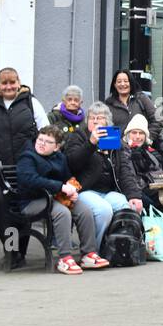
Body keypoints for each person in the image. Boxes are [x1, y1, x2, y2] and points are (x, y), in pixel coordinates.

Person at [0, 67, 50, 268]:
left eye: (12, 82)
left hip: (26, 166)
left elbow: (46, 131)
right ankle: (11, 250)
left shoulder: (31, 102)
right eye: (4, 83)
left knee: (22, 205)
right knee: (2, 205)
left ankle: (20, 253)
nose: (8, 87)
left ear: (19, 82)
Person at [14, 124, 108, 274]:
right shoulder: (28, 157)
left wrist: (72, 189)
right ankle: (65, 257)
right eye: (40, 139)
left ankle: (88, 254)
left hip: (56, 198)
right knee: (62, 212)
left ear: (57, 147)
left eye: (47, 142)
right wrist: (61, 187)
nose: (41, 143)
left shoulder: (59, 158)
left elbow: (67, 177)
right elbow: (30, 179)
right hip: (31, 201)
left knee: (84, 210)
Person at [63, 102, 144, 239]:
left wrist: (133, 195)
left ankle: (120, 248)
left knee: (127, 207)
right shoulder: (79, 135)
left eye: (99, 118)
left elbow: (124, 168)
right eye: (92, 118)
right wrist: (91, 143)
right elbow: (72, 163)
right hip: (85, 190)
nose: (95, 121)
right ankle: (96, 250)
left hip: (109, 192)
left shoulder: (112, 138)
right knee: (103, 210)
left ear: (107, 121)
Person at [105, 69, 163, 152]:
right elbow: (106, 131)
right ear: (114, 84)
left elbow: (158, 120)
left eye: (126, 81)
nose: (122, 84)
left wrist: (147, 138)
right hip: (118, 154)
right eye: (119, 81)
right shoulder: (108, 104)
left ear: (131, 83)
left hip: (141, 152)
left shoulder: (141, 99)